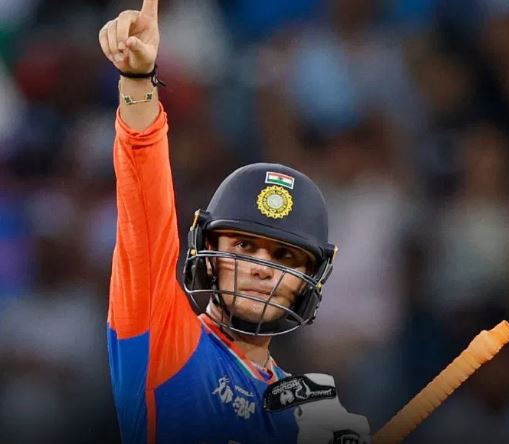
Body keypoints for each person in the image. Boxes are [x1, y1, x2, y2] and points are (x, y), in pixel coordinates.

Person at [98, 1, 370, 443]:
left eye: (284, 256)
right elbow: (143, 209)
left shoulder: (307, 411)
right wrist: (138, 82)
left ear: (309, 279)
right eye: (245, 246)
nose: (263, 268)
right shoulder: (161, 340)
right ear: (209, 253)